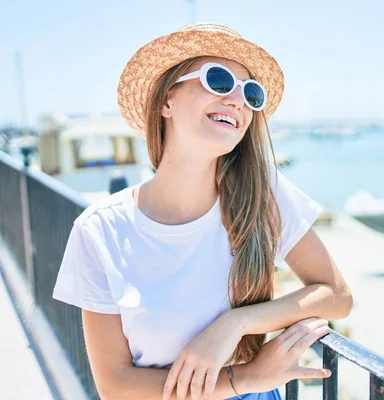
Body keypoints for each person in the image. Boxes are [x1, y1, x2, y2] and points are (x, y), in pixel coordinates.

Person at [52, 22, 353, 400]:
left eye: (251, 93)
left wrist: (235, 323)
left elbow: (337, 296)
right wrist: (241, 379)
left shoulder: (263, 195)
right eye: (219, 81)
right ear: (166, 101)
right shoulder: (99, 230)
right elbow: (115, 385)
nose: (238, 101)